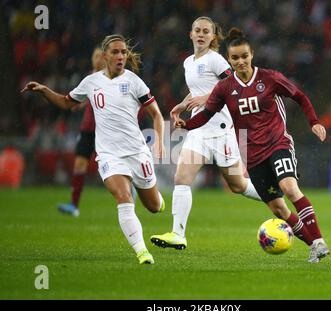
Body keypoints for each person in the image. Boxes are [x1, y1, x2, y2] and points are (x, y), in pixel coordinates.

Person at [172, 27, 330, 263]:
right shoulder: (224, 88)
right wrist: (186, 125)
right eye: (235, 58)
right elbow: (206, 114)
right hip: (253, 155)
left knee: (289, 188)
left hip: (278, 143)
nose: (241, 61)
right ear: (230, 59)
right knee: (279, 209)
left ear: (251, 54)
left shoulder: (269, 78)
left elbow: (299, 96)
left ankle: (319, 240)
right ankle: (312, 246)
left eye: (244, 56)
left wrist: (314, 122)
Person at [22, 34, 166, 265]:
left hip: (137, 153)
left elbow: (156, 114)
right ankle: (142, 252)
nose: (120, 56)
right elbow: (66, 103)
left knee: (154, 206)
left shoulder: (135, 82)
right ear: (104, 56)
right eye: (115, 52)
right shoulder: (91, 82)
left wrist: (159, 142)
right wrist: (44, 90)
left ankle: (156, 199)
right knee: (123, 196)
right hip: (109, 155)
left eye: (123, 52)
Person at [150, 17, 262, 250]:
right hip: (199, 129)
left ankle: (276, 194)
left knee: (239, 186)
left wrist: (205, 99)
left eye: (206, 31)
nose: (201, 34)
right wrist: (183, 105)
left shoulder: (216, 60)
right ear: (190, 34)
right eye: (197, 30)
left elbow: (234, 85)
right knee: (181, 178)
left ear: (213, 37)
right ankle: (178, 234)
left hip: (221, 131)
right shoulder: (188, 62)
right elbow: (197, 92)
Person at [57, 47, 105, 217]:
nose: (98, 59)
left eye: (101, 56)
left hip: (104, 131)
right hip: (87, 129)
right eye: (95, 56)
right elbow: (80, 99)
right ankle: (74, 205)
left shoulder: (108, 77)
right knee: (79, 164)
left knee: (115, 167)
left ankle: (131, 190)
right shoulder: (89, 78)